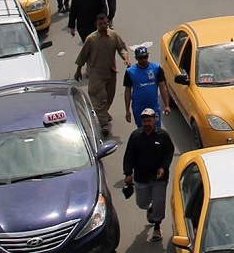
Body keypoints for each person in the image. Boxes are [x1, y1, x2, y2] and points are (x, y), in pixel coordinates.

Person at [122, 107, 175, 242]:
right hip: (141, 177)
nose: (146, 124)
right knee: (142, 203)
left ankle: (157, 226)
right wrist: (128, 173)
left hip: (159, 178)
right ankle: (150, 208)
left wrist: (163, 167)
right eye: (144, 121)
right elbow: (129, 156)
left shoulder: (162, 135)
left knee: (159, 203)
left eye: (149, 121)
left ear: (154, 120)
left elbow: (169, 152)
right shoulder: (135, 136)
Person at [74, 12, 129, 135]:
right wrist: (78, 71)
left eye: (105, 23)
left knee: (109, 97)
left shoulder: (113, 35)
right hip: (96, 74)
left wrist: (125, 57)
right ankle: (104, 124)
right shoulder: (91, 39)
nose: (103, 26)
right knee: (99, 98)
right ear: (96, 25)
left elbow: (121, 48)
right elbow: (82, 56)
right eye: (101, 24)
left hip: (111, 72)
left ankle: (103, 113)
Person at [123, 45, 171, 126]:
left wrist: (167, 105)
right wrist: (127, 111)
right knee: (142, 130)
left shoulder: (156, 68)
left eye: (146, 57)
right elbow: (127, 92)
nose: (144, 60)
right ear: (136, 58)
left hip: (153, 107)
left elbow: (162, 87)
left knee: (157, 130)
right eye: (141, 58)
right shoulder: (130, 72)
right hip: (138, 108)